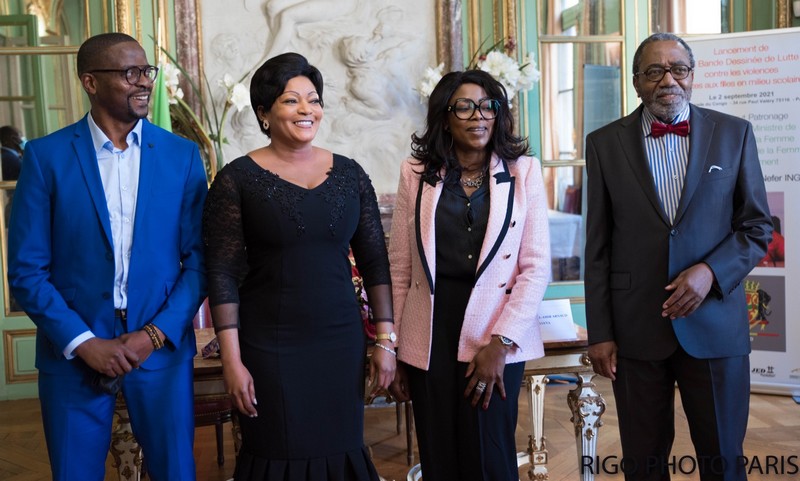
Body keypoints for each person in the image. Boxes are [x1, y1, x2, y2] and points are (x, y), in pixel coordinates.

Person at [7, 32, 208, 481]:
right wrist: (83, 342)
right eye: (129, 73)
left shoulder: (181, 156)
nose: (143, 83)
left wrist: (153, 335)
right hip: (72, 356)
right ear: (90, 82)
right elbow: (26, 271)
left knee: (176, 472)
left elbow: (199, 262)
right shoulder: (46, 157)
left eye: (146, 71)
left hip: (160, 352)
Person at [584, 32, 773, 481]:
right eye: (654, 71)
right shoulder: (604, 143)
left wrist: (710, 272)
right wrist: (601, 331)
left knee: (724, 459)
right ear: (636, 82)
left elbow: (757, 226)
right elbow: (597, 246)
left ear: (692, 76)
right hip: (634, 329)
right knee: (643, 461)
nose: (667, 79)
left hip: (715, 325)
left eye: (678, 69)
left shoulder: (734, 133)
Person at [203, 52, 395, 481]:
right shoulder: (236, 180)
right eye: (291, 100)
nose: (306, 109)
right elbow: (222, 275)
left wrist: (385, 341)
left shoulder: (350, 174)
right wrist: (232, 361)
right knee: (276, 447)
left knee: (340, 445)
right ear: (264, 113)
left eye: (313, 99)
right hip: (270, 344)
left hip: (339, 343)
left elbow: (375, 262)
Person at [387, 69, 551, 481]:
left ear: (498, 114)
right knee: (439, 454)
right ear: (445, 116)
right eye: (464, 106)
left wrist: (502, 343)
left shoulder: (523, 171)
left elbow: (535, 267)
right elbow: (401, 266)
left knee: (489, 454)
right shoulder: (416, 173)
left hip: (496, 331)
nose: (478, 115)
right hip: (429, 332)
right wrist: (393, 347)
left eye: (487, 106)